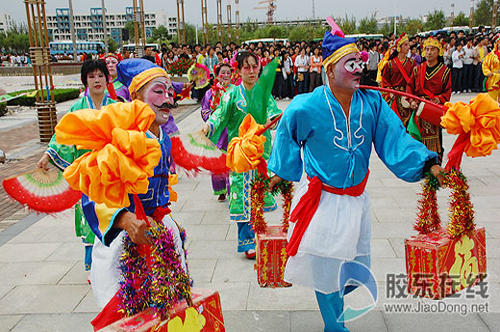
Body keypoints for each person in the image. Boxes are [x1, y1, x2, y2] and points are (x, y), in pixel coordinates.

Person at [267, 21, 445, 332]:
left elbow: (395, 138)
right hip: (321, 199)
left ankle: (334, 308)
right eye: (351, 64)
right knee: (326, 266)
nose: (358, 69)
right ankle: (335, 326)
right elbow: (286, 133)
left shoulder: (372, 103)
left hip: (356, 199)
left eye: (360, 63)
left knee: (352, 267)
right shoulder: (306, 106)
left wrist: (428, 164)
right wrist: (283, 172)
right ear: (330, 68)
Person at [80, 59, 189, 307]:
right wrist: (126, 220)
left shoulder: (165, 140)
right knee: (125, 309)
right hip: (123, 236)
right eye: (158, 91)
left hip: (158, 231)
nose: (168, 99)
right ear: (136, 97)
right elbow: (93, 192)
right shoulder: (119, 137)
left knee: (169, 305)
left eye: (170, 92)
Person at [37, 60, 117, 275]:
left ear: (107, 79)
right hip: (87, 173)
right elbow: (62, 135)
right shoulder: (77, 108)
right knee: (89, 215)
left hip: (112, 171)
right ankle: (93, 266)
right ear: (85, 81)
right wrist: (48, 154)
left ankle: (113, 262)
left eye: (100, 75)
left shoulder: (117, 107)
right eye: (91, 76)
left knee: (113, 215)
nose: (97, 80)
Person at [202, 51, 282, 259]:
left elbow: (273, 114)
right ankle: (246, 241)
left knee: (258, 193)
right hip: (240, 154)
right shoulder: (231, 95)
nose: (252, 71)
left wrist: (279, 120)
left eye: (255, 66)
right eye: (246, 67)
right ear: (239, 71)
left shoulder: (264, 93)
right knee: (241, 194)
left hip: (260, 152)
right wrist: (210, 124)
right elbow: (220, 114)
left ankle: (258, 232)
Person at [407, 37, 452, 163]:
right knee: (417, 139)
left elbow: (447, 91)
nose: (429, 52)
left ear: (439, 52)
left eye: (432, 49)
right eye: (427, 49)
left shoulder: (445, 71)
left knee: (434, 139)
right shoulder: (418, 69)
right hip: (419, 108)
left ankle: (435, 166)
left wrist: (439, 98)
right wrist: (411, 101)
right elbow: (410, 87)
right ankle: (421, 165)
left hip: (433, 109)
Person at [200, 62, 232, 202]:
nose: (225, 75)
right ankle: (220, 189)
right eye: (222, 73)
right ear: (217, 75)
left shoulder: (235, 91)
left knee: (232, 163)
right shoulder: (210, 93)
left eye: (228, 72)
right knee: (217, 164)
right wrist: (213, 117)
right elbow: (204, 110)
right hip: (216, 132)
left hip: (231, 131)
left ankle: (233, 189)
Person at [380, 33, 415, 127]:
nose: (408, 47)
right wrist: (390, 92)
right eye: (405, 45)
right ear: (399, 47)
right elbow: (385, 80)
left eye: (409, 45)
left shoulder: (412, 63)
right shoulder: (390, 64)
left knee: (408, 122)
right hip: (394, 96)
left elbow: (415, 80)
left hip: (407, 95)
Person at [482, 37, 500, 103]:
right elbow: (485, 65)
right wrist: (488, 72)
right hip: (494, 78)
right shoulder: (492, 55)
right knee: (492, 99)